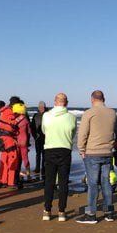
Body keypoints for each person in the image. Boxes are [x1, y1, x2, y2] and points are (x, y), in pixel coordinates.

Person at [76, 89, 117, 224]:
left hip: (93, 152)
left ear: (92, 99)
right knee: (106, 182)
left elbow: (83, 133)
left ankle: (91, 214)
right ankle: (109, 213)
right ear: (104, 99)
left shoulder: (89, 113)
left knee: (93, 184)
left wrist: (81, 149)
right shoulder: (112, 113)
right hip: (107, 152)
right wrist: (116, 142)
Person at [41, 93, 77, 222]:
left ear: (55, 102)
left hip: (50, 149)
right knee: (63, 182)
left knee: (49, 182)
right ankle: (62, 211)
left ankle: (47, 210)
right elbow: (72, 133)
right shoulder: (71, 117)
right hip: (65, 149)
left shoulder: (46, 115)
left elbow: (44, 130)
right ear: (66, 103)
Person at [0, 96, 21, 189]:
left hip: (1, 138)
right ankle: (11, 182)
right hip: (9, 139)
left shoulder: (3, 110)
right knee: (12, 159)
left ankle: (2, 181)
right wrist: (18, 118)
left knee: (4, 160)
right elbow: (12, 125)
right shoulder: (10, 111)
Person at [13, 102, 31, 180]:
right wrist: (28, 142)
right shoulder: (25, 120)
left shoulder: (14, 120)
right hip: (24, 140)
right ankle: (28, 174)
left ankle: (16, 173)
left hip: (16, 140)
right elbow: (29, 132)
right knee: (25, 158)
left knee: (16, 158)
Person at [30, 101, 47, 179]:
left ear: (45, 107)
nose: (41, 108)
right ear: (38, 107)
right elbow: (32, 127)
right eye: (40, 107)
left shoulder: (48, 115)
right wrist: (34, 136)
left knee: (45, 154)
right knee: (38, 153)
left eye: (42, 107)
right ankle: (37, 168)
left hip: (46, 138)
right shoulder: (35, 115)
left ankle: (44, 168)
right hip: (37, 137)